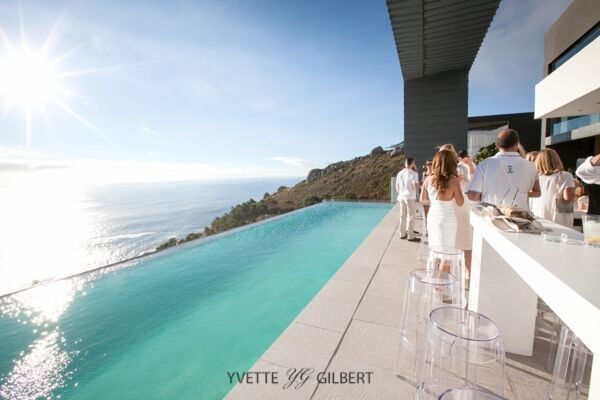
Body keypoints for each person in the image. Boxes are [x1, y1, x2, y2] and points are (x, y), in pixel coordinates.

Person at [468, 129, 540, 209]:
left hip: (492, 216)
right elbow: (537, 192)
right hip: (521, 216)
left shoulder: (484, 164)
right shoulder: (531, 166)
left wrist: (489, 195)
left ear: (497, 145)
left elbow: (473, 196)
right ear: (517, 144)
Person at [438, 145, 473, 274]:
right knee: (466, 247)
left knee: (447, 253)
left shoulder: (436, 174)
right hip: (460, 210)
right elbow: (470, 188)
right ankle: (468, 277)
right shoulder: (461, 169)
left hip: (448, 213)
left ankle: (442, 285)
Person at [421, 150, 464, 248]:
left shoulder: (428, 179)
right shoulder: (454, 181)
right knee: (446, 255)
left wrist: (435, 200)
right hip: (448, 219)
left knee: (434, 252)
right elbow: (460, 202)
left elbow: (423, 199)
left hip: (433, 217)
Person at [531, 148, 576, 228]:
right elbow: (568, 198)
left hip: (539, 218)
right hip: (558, 221)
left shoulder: (535, 177)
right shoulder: (565, 176)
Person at [396, 157, 421, 242]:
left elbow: (397, 186)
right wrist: (420, 186)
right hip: (410, 197)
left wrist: (400, 194)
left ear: (405, 163)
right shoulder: (413, 173)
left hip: (401, 197)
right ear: (412, 163)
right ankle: (410, 236)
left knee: (402, 216)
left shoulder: (400, 173)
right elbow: (415, 186)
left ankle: (402, 234)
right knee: (411, 216)